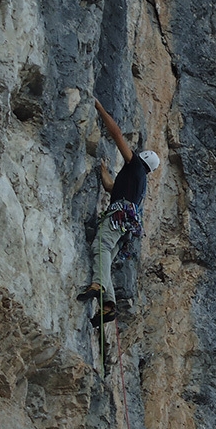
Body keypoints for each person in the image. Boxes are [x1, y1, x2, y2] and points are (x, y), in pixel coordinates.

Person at [76, 98, 160, 324]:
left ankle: (98, 286)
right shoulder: (139, 181)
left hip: (118, 217)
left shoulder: (133, 166)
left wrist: (99, 107)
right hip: (127, 227)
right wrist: (103, 171)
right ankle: (108, 305)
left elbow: (117, 135)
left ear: (141, 158)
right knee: (105, 258)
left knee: (100, 246)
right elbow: (111, 187)